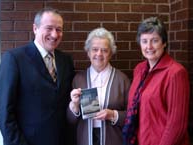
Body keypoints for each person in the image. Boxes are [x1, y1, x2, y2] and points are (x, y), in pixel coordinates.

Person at [0, 7, 75, 145]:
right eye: (49, 28)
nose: (55, 35)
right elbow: (4, 111)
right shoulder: (14, 59)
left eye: (59, 29)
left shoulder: (66, 61)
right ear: (35, 28)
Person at [123, 17, 190, 145]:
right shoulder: (139, 70)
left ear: (164, 43)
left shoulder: (176, 73)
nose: (149, 46)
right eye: (144, 41)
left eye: (154, 41)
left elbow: (177, 125)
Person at [67, 27, 131, 145]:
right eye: (95, 49)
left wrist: (113, 115)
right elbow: (70, 120)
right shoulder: (78, 80)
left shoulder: (122, 80)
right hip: (85, 140)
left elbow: (132, 117)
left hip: (113, 140)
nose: (99, 54)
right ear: (88, 52)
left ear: (111, 53)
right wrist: (75, 106)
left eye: (104, 50)